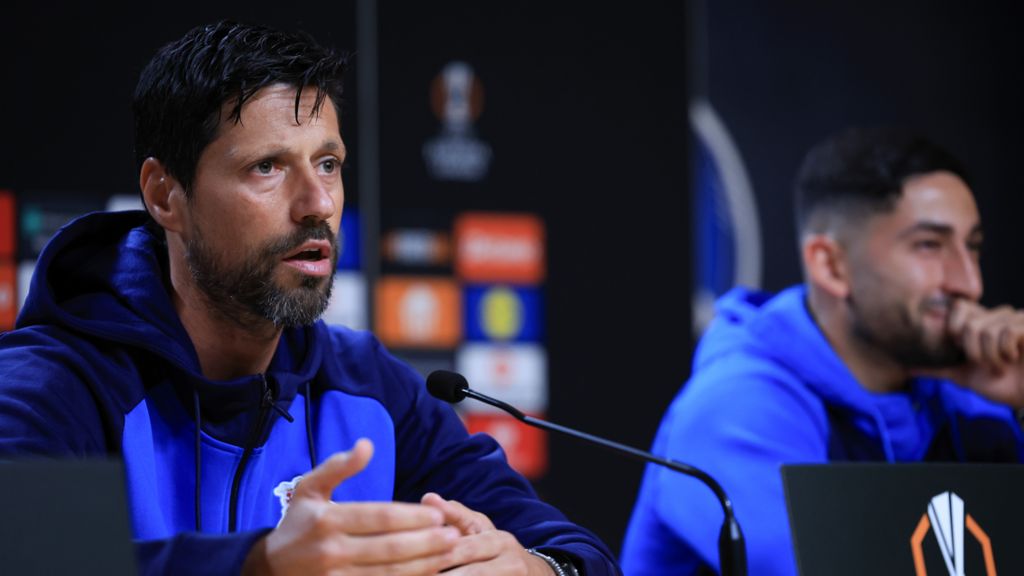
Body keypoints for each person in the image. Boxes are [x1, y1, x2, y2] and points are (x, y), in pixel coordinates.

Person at [0, 20, 620, 576]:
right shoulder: (52, 387)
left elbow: (575, 550)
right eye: (267, 167)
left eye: (328, 164)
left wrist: (537, 570)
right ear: (166, 196)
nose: (317, 204)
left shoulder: (370, 387)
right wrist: (256, 567)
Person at [620, 125, 1024, 575]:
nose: (970, 283)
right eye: (929, 246)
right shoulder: (737, 409)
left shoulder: (968, 396)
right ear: (830, 265)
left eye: (973, 247)